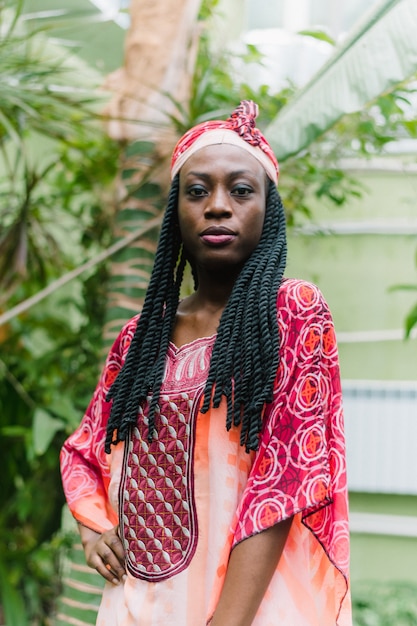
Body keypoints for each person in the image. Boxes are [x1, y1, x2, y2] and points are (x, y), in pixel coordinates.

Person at [60, 100, 352, 626]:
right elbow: (84, 450)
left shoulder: (293, 312)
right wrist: (94, 528)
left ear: (269, 208)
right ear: (177, 211)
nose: (218, 205)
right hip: (139, 606)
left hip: (256, 609)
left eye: (241, 190)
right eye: (198, 191)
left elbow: (284, 481)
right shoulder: (138, 339)